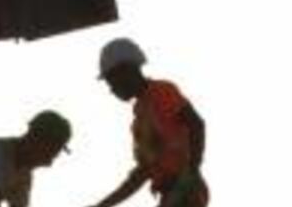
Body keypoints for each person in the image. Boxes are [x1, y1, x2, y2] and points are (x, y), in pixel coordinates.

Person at [86, 38, 208, 207]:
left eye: (113, 81)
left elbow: (196, 124)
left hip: (185, 193)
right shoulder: (140, 120)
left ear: (129, 70)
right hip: (170, 194)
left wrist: (192, 172)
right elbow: (142, 174)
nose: (112, 90)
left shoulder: (162, 92)